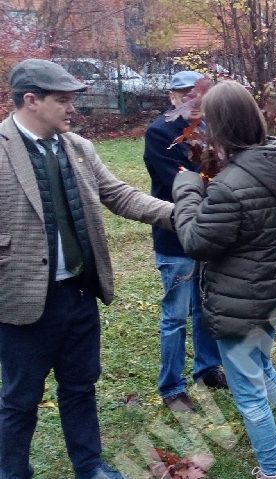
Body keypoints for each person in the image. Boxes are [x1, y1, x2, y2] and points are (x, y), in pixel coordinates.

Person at [0, 59, 173, 479]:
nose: (72, 109)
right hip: (22, 301)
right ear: (31, 100)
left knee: (80, 387)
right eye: (62, 101)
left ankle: (90, 465)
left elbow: (120, 195)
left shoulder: (79, 148)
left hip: (78, 293)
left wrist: (184, 213)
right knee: (20, 398)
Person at [171, 81, 276, 479]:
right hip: (272, 292)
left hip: (239, 303)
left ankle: (272, 472)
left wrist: (187, 189)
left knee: (249, 393)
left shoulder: (229, 186)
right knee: (263, 370)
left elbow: (195, 242)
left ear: (219, 126)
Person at [143, 70, 226, 413]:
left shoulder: (210, 130)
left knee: (206, 308)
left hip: (206, 234)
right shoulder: (159, 133)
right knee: (175, 316)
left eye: (199, 94)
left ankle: (207, 369)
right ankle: (172, 388)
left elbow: (220, 173)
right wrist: (214, 184)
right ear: (172, 98)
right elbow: (183, 184)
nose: (194, 101)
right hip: (175, 237)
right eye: (185, 95)